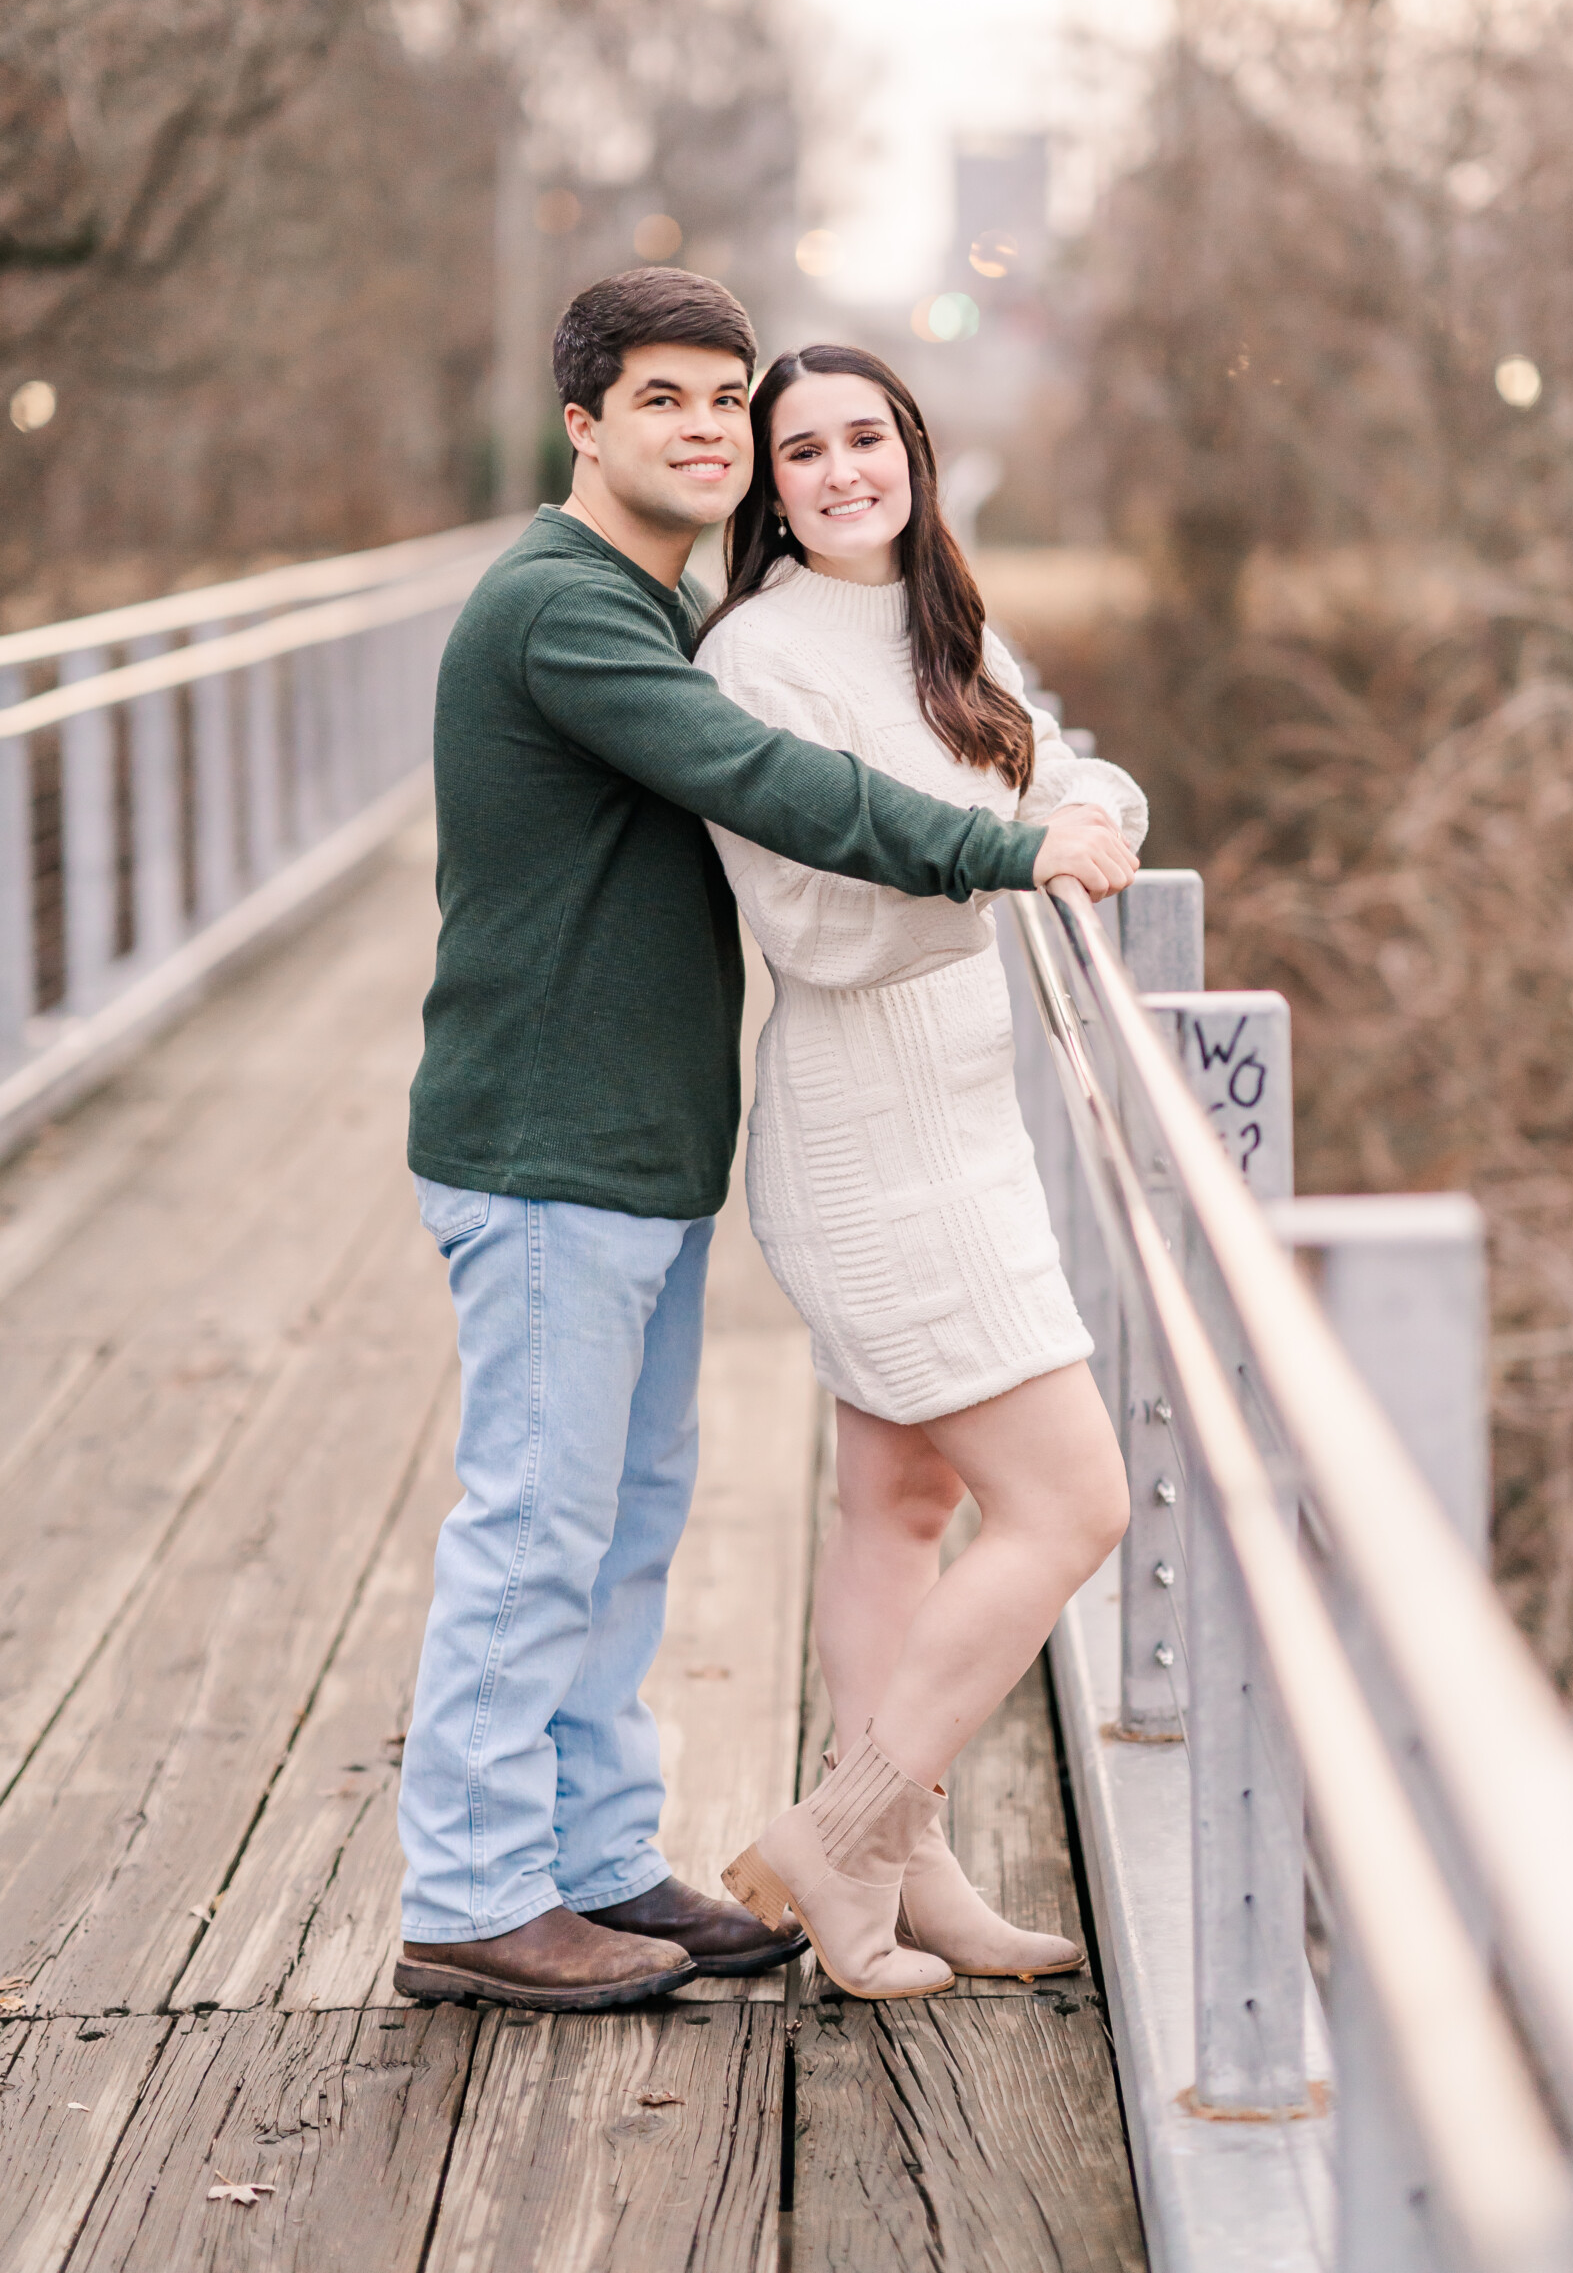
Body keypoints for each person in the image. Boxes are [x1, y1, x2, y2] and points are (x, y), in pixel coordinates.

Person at [394, 271, 1137, 2014]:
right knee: (537, 1519)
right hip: (544, 1142)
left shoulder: (638, 601)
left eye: (727, 401)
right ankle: (476, 1890)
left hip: (638, 1147)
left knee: (626, 1516)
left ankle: (587, 1858)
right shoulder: (566, 613)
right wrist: (1006, 855)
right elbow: (777, 792)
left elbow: (1008, 751)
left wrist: (1069, 806)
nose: (712, 432)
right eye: (672, 400)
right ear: (582, 423)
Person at [698, 344, 1146, 2000]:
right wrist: (1017, 863)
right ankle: (845, 1828)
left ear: (910, 450)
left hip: (966, 1122)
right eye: (798, 449)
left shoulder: (939, 616)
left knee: (902, 1503)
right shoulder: (754, 658)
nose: (836, 470)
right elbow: (813, 926)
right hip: (865, 1144)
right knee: (1076, 1500)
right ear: (766, 483)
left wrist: (1082, 818)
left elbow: (1063, 768)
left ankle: (902, 1884)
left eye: (861, 437)